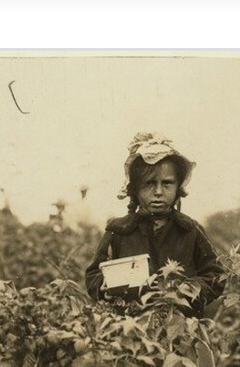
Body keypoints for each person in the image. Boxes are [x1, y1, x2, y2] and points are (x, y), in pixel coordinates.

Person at [85, 133, 225, 319]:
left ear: (178, 188)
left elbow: (214, 275)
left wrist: (188, 291)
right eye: (149, 183)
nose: (158, 192)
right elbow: (93, 275)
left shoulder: (190, 230)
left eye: (167, 183)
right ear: (134, 189)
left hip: (181, 328)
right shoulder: (118, 231)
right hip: (131, 330)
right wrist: (104, 287)